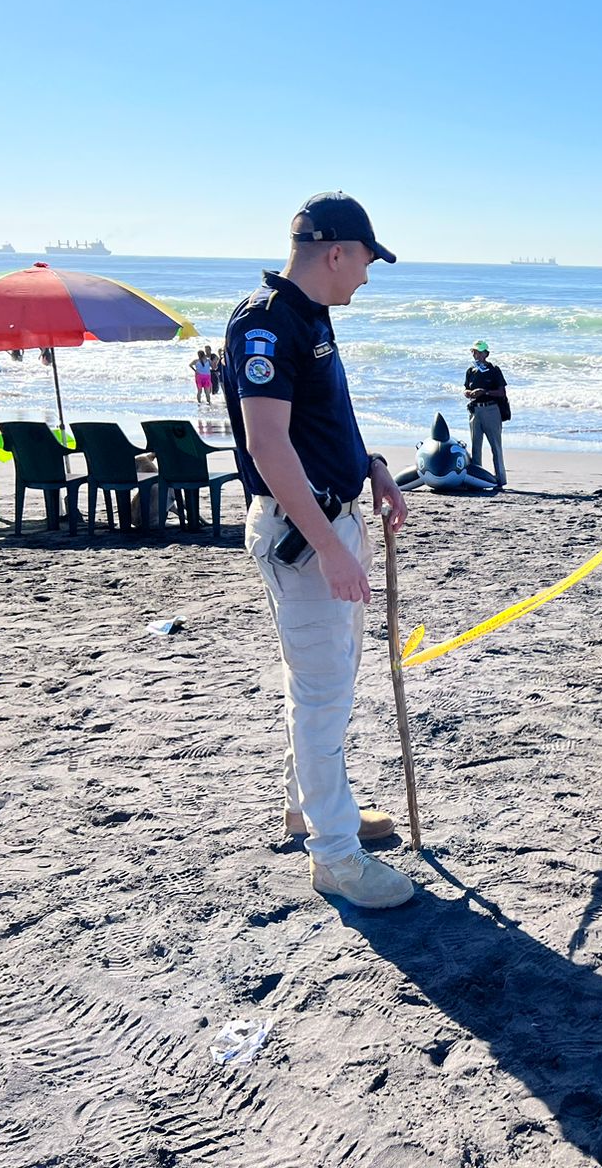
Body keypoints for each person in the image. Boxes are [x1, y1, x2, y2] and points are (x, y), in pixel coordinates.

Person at [221, 191, 413, 910]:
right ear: (336, 252)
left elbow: (327, 417)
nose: (367, 275)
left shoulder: (310, 315)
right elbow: (267, 445)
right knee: (323, 693)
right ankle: (334, 855)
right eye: (366, 260)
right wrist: (332, 546)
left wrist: (373, 467)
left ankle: (309, 808)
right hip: (304, 536)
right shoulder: (266, 323)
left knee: (323, 686)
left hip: (332, 520)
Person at [464, 339, 508, 487]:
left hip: (491, 410)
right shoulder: (471, 370)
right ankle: (477, 480)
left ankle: (500, 479)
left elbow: (501, 392)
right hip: (475, 410)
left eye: (478, 352)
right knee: (476, 446)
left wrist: (485, 392)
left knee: (495, 446)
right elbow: (465, 389)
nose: (475, 354)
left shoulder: (494, 370)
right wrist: (469, 393)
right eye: (474, 351)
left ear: (486, 354)